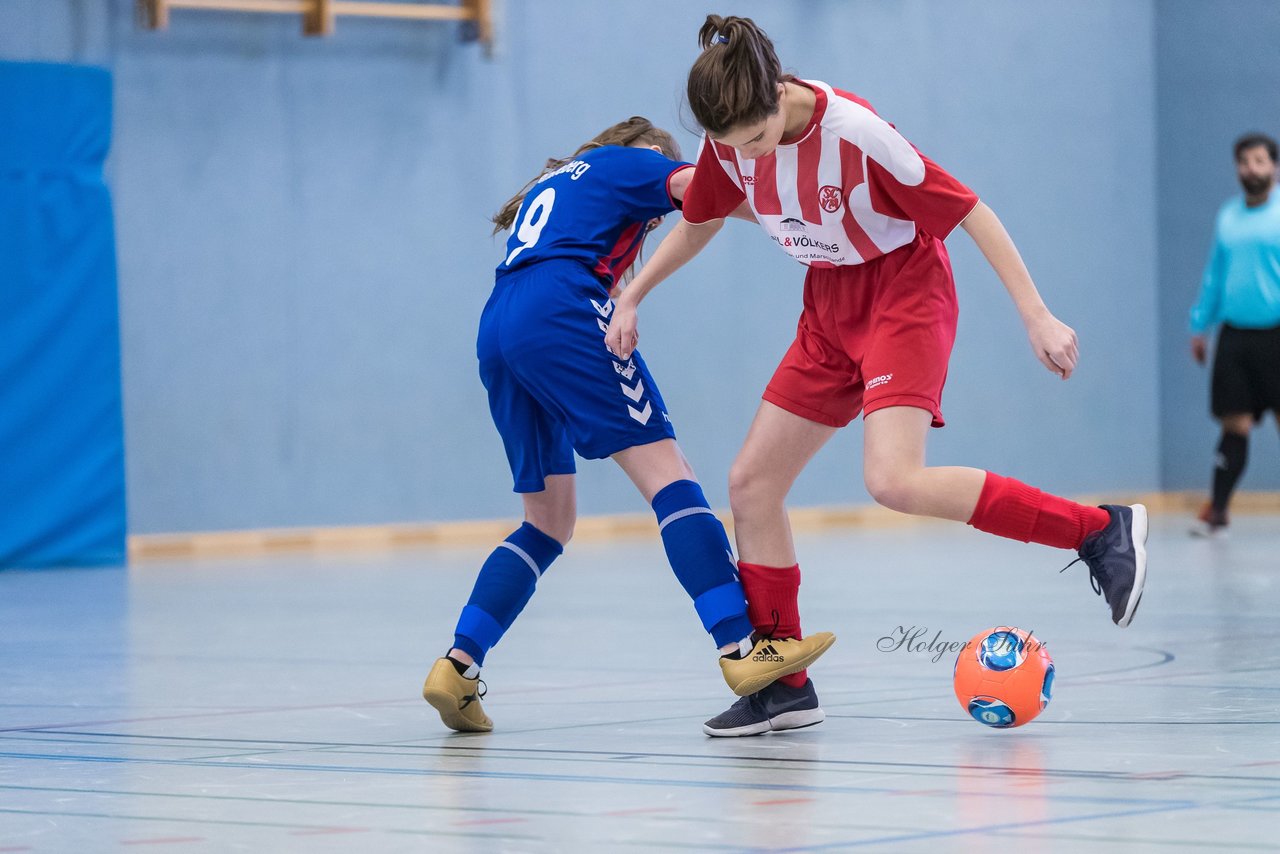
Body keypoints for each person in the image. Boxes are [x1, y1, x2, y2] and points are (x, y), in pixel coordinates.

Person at [604, 16, 1148, 738]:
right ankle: (784, 685)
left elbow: (971, 212)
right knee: (751, 484)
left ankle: (1098, 530)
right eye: (731, 150)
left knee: (894, 480)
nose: (748, 160)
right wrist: (635, 294)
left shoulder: (858, 136)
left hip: (904, 293)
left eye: (757, 142)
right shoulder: (729, 141)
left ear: (778, 97)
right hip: (828, 304)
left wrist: (1037, 315)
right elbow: (701, 220)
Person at [422, 117, 835, 733]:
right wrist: (807, 222)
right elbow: (710, 194)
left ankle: (457, 665)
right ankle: (741, 649)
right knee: (670, 476)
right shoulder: (632, 162)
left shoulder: (559, 183)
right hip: (562, 309)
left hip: (500, 324)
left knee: (548, 521)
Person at [1188, 132, 1280, 538]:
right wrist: (1199, 324)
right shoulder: (1228, 216)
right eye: (1244, 162)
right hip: (1236, 337)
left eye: (1259, 161)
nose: (1251, 169)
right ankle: (1219, 510)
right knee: (1234, 425)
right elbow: (1214, 276)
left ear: (1274, 167)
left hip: (1277, 335)